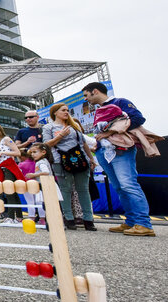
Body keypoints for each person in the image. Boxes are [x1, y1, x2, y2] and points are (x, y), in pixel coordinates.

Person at [82, 82, 155, 237]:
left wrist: (108, 132)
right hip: (103, 150)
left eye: (86, 95)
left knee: (128, 184)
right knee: (119, 187)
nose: (86, 99)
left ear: (95, 91)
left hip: (121, 150)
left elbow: (138, 118)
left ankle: (143, 223)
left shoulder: (120, 102)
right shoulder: (98, 110)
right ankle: (131, 221)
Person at [42, 103, 96, 231]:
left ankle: (88, 219)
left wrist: (91, 158)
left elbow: (83, 143)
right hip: (60, 160)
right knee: (65, 190)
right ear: (55, 112)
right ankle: (69, 218)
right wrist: (60, 136)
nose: (66, 112)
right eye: (63, 110)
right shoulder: (48, 127)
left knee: (83, 189)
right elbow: (46, 145)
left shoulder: (74, 126)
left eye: (67, 110)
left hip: (80, 159)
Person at [25, 143, 54, 226]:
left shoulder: (41, 162)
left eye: (35, 152)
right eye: (31, 152)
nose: (32, 154)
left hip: (45, 185)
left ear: (43, 152)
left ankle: (50, 222)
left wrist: (33, 175)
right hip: (45, 184)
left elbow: (46, 172)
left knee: (47, 204)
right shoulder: (42, 161)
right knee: (47, 204)